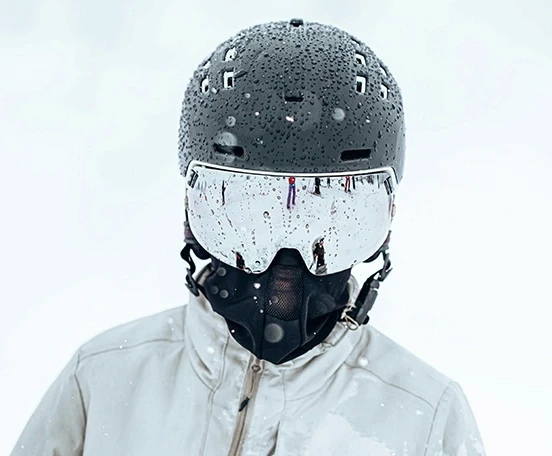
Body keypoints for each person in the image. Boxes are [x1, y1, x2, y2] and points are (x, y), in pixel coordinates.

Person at [12, 19, 485, 455]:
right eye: (248, 216)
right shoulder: (103, 381)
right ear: (193, 216)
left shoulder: (425, 420)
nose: (285, 266)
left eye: (330, 223)